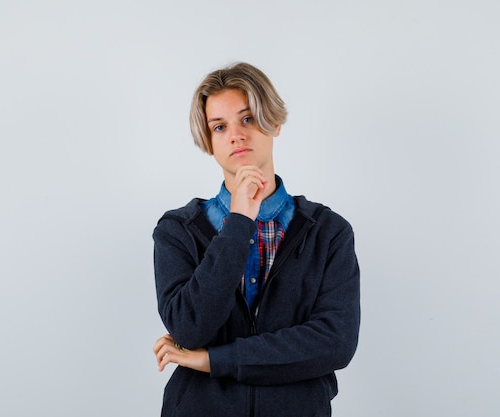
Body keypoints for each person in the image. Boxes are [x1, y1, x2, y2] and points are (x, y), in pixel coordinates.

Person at [152, 62, 360, 417]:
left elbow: (334, 343)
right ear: (210, 142)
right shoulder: (177, 230)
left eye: (247, 119)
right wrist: (239, 222)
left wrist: (213, 360)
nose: (236, 135)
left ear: (274, 123)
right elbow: (190, 327)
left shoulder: (328, 231)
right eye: (220, 127)